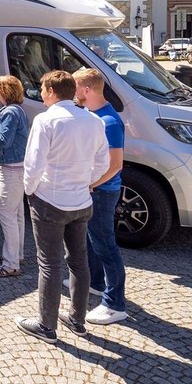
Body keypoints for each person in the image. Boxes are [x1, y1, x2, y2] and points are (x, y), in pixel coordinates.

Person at [16, 70, 109, 344]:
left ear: (52, 92)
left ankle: (47, 325)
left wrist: (30, 191)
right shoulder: (93, 121)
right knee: (79, 262)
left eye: (43, 89)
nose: (41, 93)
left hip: (50, 200)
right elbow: (103, 163)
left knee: (49, 263)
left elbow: (33, 164)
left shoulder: (46, 121)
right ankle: (77, 320)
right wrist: (87, 182)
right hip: (81, 200)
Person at [74, 68, 129, 325]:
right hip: (95, 190)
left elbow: (115, 164)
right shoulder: (92, 115)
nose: (72, 92)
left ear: (86, 90)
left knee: (106, 246)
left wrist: (91, 184)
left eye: (74, 87)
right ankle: (96, 283)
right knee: (92, 240)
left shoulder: (108, 121)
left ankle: (115, 304)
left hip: (102, 192)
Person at [0, 75, 29, 276]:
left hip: (11, 170)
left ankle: (11, 265)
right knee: (17, 214)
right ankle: (15, 254)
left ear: (5, 91)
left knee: (7, 215)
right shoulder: (17, 110)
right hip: (19, 168)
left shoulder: (10, 113)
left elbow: (3, 141)